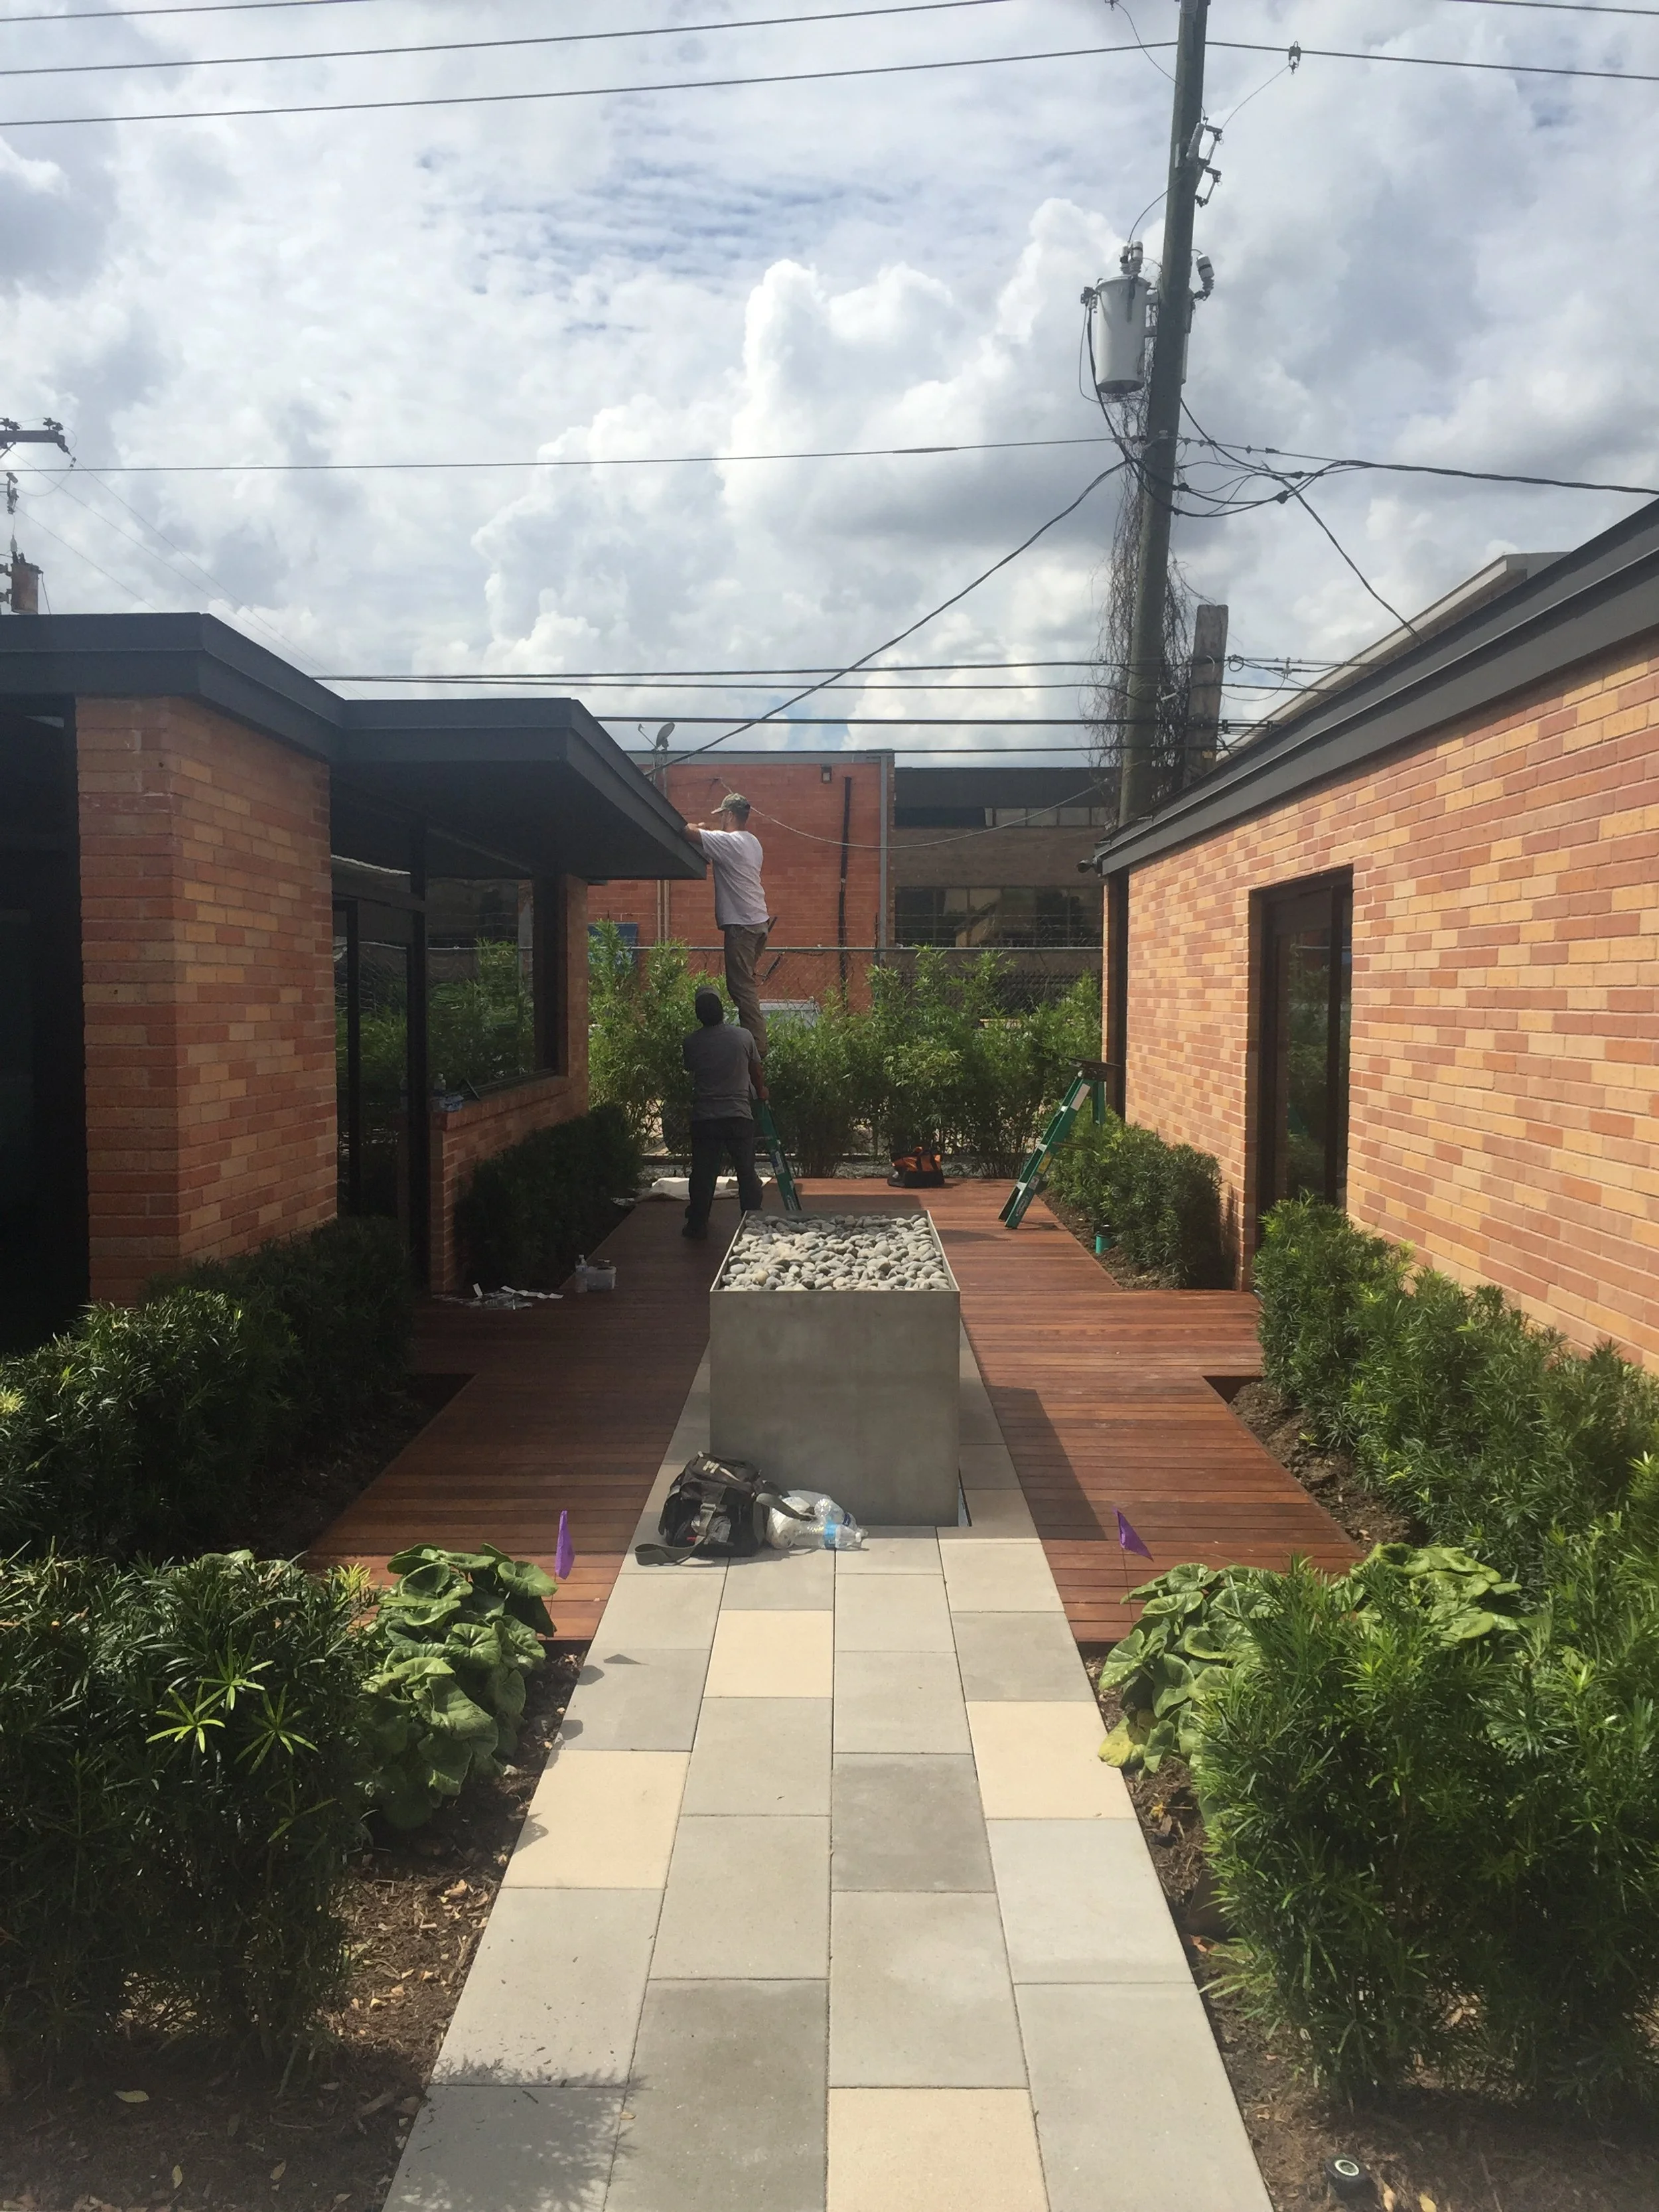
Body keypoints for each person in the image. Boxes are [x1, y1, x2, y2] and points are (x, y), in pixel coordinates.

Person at [684, 792, 770, 1053]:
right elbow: (718, 837)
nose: (720, 820)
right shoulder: (752, 843)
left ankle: (756, 1049)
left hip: (741, 926)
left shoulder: (729, 844)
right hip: (758, 922)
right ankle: (752, 1043)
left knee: (741, 989)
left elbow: (686, 832)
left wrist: (698, 828)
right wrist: (709, 830)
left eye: (722, 815)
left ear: (730, 815)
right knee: (746, 985)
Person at [681, 986, 766, 1241]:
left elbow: (691, 1068)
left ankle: (697, 1223)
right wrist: (761, 1092)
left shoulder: (691, 1043)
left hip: (705, 1117)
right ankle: (752, 1220)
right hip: (739, 1115)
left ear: (699, 1015)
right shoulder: (743, 1037)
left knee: (703, 1173)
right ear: (721, 1010)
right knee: (746, 1170)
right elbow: (756, 1072)